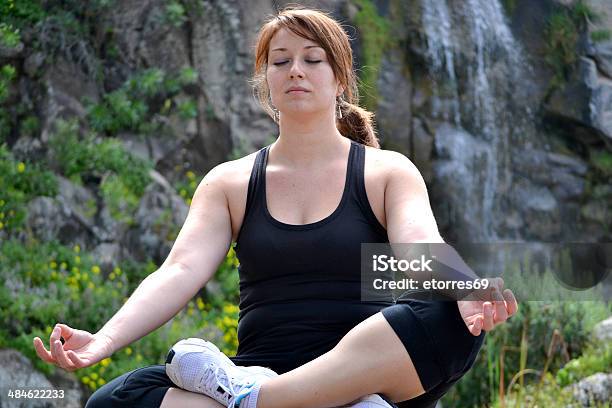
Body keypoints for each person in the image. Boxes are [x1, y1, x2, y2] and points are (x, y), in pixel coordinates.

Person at [33, 6, 517, 408]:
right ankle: (298, 397)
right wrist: (105, 339)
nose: (296, 71)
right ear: (265, 81)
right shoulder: (230, 181)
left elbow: (417, 249)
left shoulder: (386, 171)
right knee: (115, 402)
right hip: (260, 364)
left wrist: (466, 286)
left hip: (369, 365)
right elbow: (179, 270)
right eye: (280, 61)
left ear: (340, 78)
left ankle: (259, 401)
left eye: (312, 59)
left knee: (453, 315)